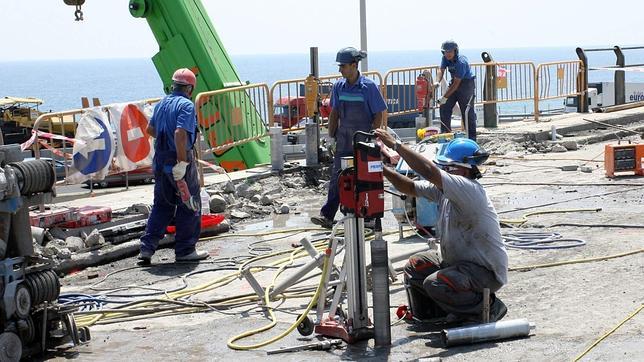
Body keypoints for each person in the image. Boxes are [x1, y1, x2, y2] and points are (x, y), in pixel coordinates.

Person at [374, 128, 507, 324]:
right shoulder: (446, 191)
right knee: (415, 266)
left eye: (448, 168)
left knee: (435, 282)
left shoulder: (467, 188)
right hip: (457, 264)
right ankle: (437, 314)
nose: (445, 172)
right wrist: (380, 168)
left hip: (484, 272)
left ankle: (486, 307)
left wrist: (396, 145)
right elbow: (409, 187)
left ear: (464, 168)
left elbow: (429, 171)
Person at [310, 47, 387, 229]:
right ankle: (327, 215)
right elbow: (334, 113)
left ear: (354, 65)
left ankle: (367, 216)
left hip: (363, 140)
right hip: (343, 139)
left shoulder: (369, 87)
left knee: (365, 178)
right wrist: (330, 136)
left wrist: (372, 135)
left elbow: (379, 114)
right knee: (338, 177)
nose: (340, 70)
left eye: (343, 66)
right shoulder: (338, 87)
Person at [138, 68, 208, 265]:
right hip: (178, 159)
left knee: (162, 205)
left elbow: (150, 129)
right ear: (190, 88)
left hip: (160, 160)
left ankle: (146, 249)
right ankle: (185, 250)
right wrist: (182, 161)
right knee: (189, 204)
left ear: (173, 85)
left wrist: (164, 140)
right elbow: (180, 133)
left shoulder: (161, 104)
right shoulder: (186, 105)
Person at [435, 40, 478, 141]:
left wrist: (444, 97)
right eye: (445, 52)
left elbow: (456, 84)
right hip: (454, 82)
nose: (447, 54)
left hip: (466, 84)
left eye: (449, 51)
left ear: (455, 51)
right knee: (444, 106)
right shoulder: (445, 58)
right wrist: (437, 81)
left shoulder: (461, 62)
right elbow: (441, 70)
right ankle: (446, 136)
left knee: (467, 112)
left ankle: (471, 139)